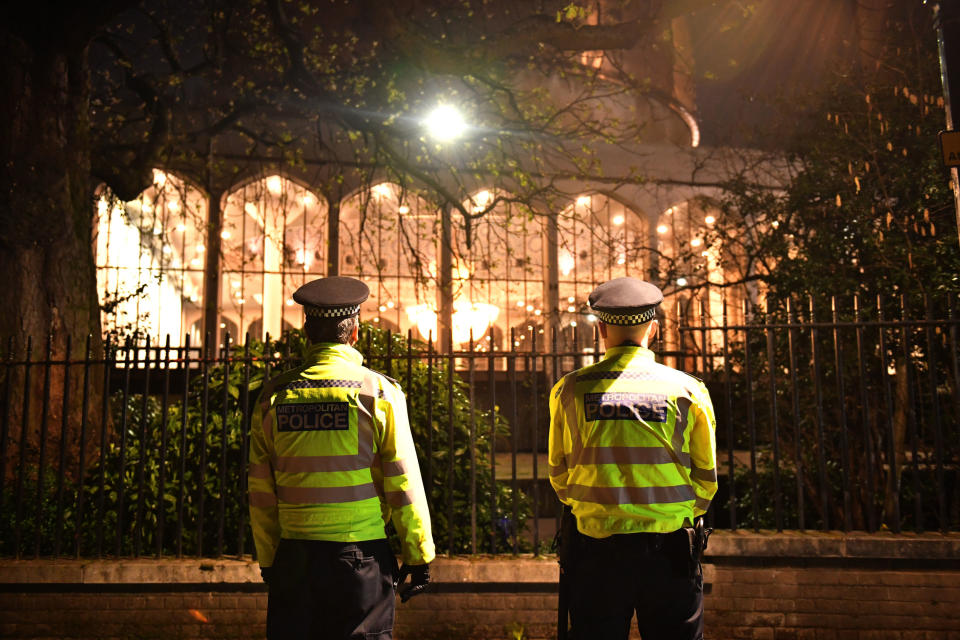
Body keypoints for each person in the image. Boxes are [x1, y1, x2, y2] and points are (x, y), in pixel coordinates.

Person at [248, 276, 435, 640]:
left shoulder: (274, 397)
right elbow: (403, 481)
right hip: (359, 560)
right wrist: (419, 554)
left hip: (295, 558)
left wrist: (270, 559)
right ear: (354, 332)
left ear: (306, 331)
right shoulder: (377, 392)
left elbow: (260, 492)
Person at [548, 277, 717, 640]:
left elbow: (559, 472)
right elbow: (706, 478)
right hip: (670, 549)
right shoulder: (688, 390)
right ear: (653, 329)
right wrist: (676, 511)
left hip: (596, 553)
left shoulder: (571, 390)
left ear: (602, 330)